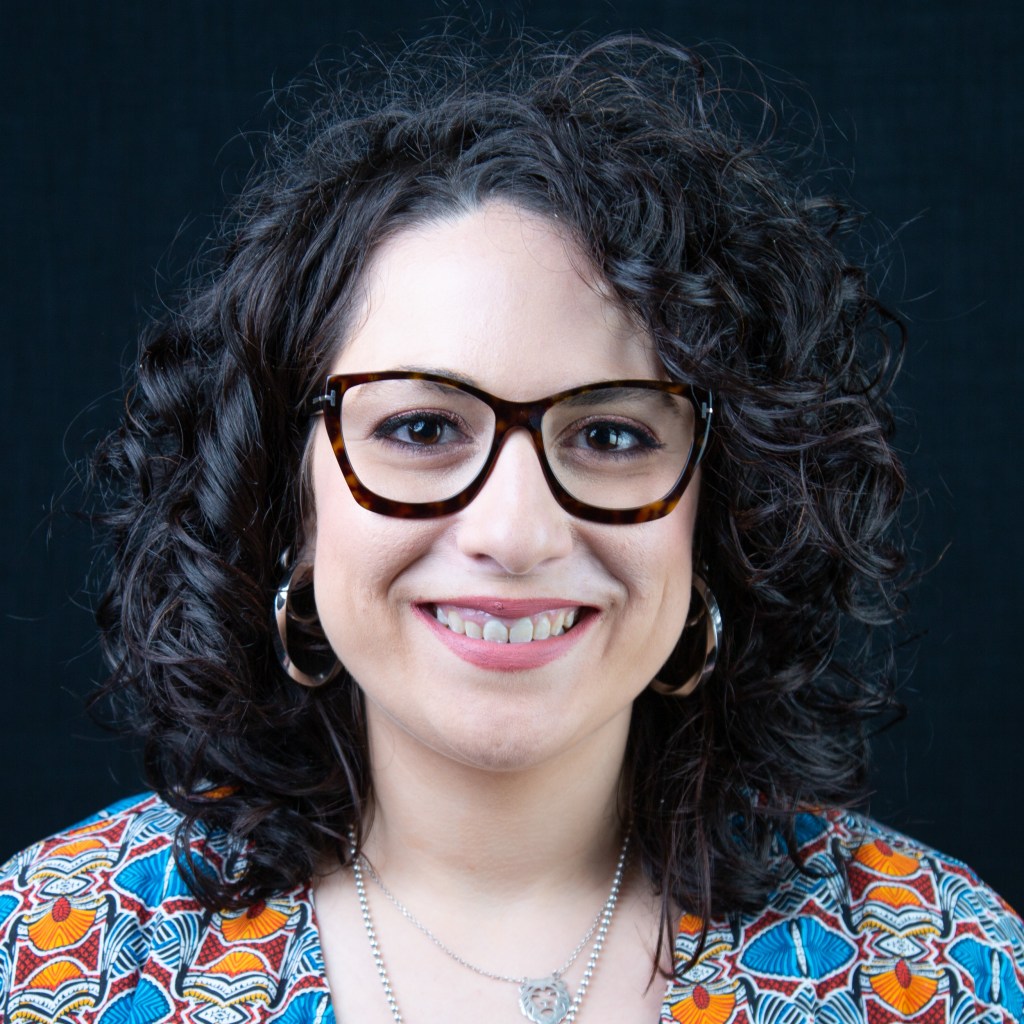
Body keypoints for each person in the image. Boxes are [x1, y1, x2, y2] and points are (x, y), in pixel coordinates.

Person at [1, 30, 1021, 1024]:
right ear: (284, 494)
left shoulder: (941, 968)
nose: (516, 531)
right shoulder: (51, 954)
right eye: (421, 427)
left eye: (612, 435)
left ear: (725, 509)